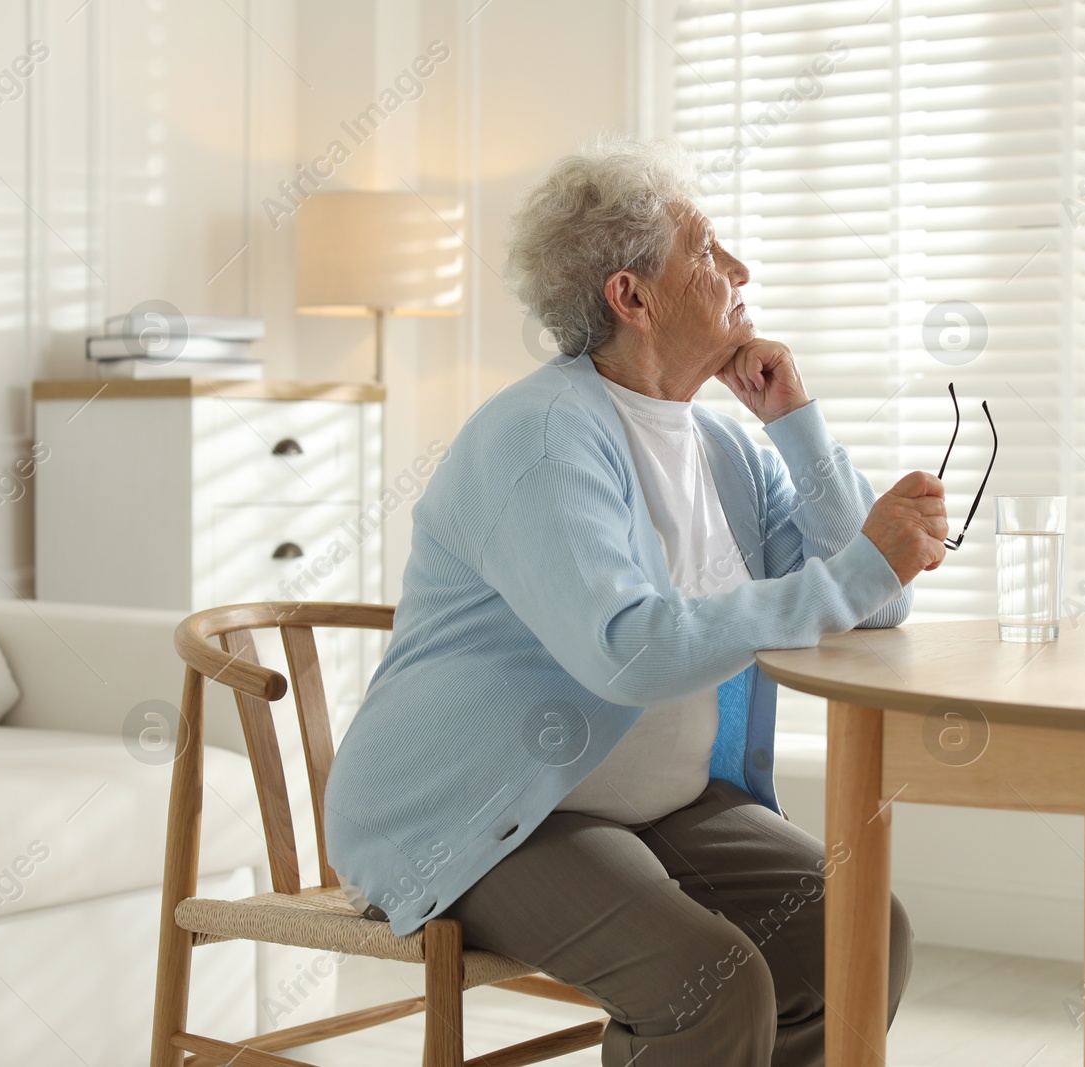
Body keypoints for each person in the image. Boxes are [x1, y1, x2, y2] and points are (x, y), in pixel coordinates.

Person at [323, 136, 949, 1066]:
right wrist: (861, 569)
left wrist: (796, 428)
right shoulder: (541, 438)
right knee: (712, 983)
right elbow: (626, 650)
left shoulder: (725, 451)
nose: (739, 271)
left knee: (858, 933)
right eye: (707, 252)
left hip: (657, 800)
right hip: (492, 812)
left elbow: (873, 603)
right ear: (632, 296)